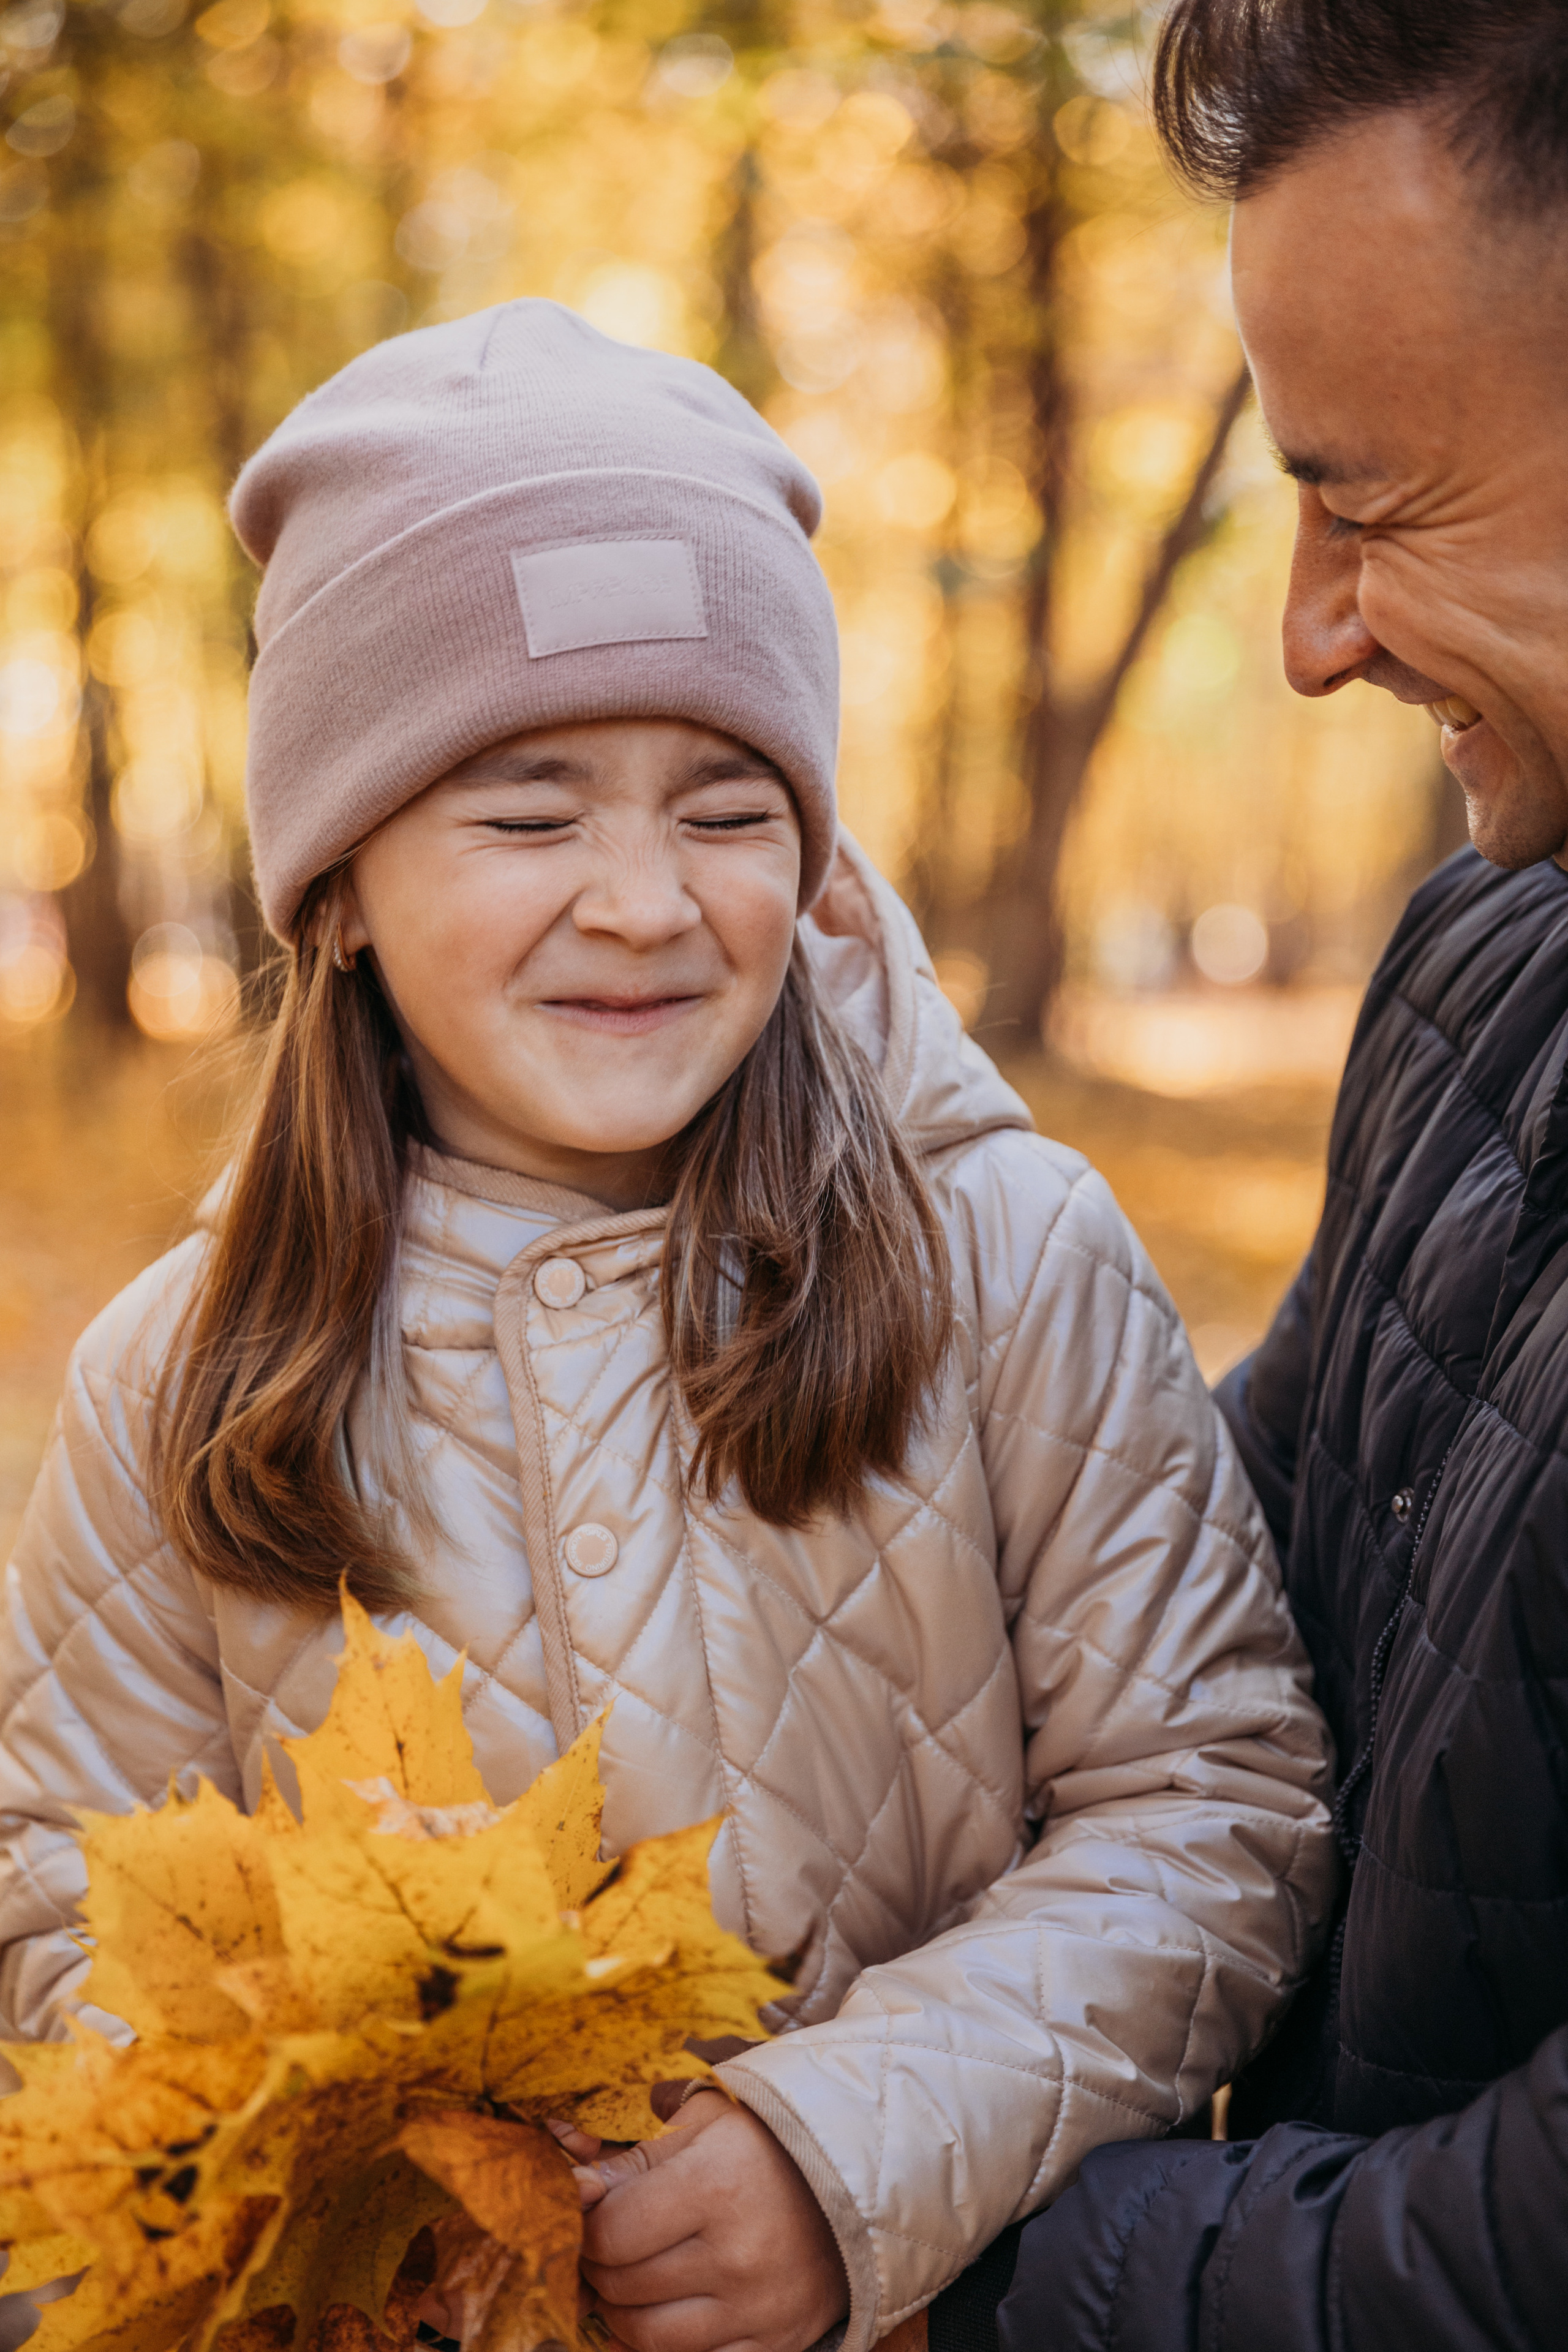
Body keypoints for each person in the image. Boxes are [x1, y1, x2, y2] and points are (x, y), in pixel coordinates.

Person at [0, 301, 1332, 2352]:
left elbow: (1217, 1803)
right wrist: (333, 2152)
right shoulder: (179, 1384)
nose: (642, 898)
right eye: (530, 815)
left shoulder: (1004, 1257)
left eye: (727, 809)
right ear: (336, 884)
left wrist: (851, 2150)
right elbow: (59, 1902)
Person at [999, 4, 1568, 2348]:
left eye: (1381, 501)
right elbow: (1173, 1591)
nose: (1312, 634)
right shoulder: (1486, 967)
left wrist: (967, 2268)